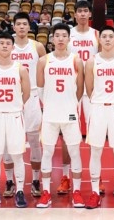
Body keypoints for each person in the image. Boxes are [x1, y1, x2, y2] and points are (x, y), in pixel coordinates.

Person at [83, 26, 114, 209]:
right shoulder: (92, 61)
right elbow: (89, 88)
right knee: (95, 150)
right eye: (103, 36)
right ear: (99, 40)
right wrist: (99, 100)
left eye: (110, 36)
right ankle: (95, 192)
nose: (107, 39)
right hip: (97, 108)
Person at [35, 23, 85, 208]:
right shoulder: (44, 61)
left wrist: (70, 104)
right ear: (52, 39)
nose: (61, 38)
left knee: (74, 152)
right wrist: (51, 104)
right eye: (57, 35)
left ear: (69, 39)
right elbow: (40, 88)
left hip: (70, 113)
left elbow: (80, 89)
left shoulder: (76, 60)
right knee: (47, 152)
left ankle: (77, 192)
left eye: (64, 35)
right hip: (50, 114)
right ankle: (46, 192)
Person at [0, 32, 31, 208]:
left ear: (12, 47)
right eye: (1, 43)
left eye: (7, 43)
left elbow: (26, 93)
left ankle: (20, 191)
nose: (4, 46)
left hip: (14, 115)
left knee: (17, 156)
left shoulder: (20, 69)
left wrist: (14, 105)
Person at [8, 12, 47, 197]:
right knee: (9, 141)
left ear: (29, 26)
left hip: (32, 96)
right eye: (19, 24)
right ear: (14, 26)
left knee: (34, 140)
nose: (22, 27)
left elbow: (47, 69)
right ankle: (10, 181)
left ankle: (36, 180)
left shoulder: (37, 46)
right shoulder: (7, 46)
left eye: (25, 24)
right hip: (11, 97)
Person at [64, 0, 100, 194]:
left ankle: (97, 177)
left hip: (92, 90)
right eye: (80, 11)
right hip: (71, 88)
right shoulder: (68, 34)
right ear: (75, 14)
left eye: (86, 11)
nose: (83, 14)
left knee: (95, 134)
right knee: (67, 135)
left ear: (90, 14)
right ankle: (65, 177)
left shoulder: (97, 35)